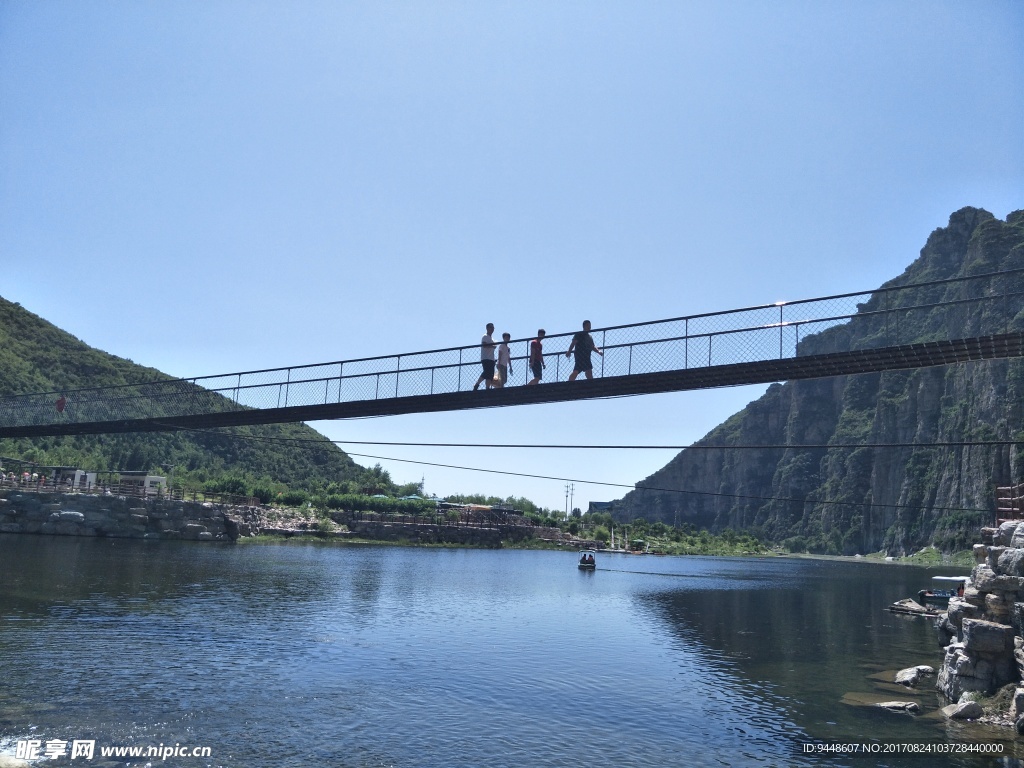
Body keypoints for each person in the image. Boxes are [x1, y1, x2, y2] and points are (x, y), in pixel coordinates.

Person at [473, 323, 497, 390]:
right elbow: (484, 345)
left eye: (492, 328)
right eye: (490, 327)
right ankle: (477, 384)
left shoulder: (491, 338)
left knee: (490, 374)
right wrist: (492, 346)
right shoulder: (485, 336)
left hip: (491, 358)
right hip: (486, 358)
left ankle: (487, 387)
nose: (492, 329)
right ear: (487, 328)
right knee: (487, 372)